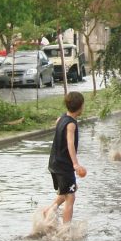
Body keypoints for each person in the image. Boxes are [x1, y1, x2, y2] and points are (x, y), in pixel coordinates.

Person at [44, 91, 87, 223]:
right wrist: (75, 164)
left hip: (54, 163)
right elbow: (70, 144)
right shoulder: (71, 124)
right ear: (80, 107)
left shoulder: (60, 119)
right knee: (70, 197)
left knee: (66, 191)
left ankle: (49, 210)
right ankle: (66, 229)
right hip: (64, 165)